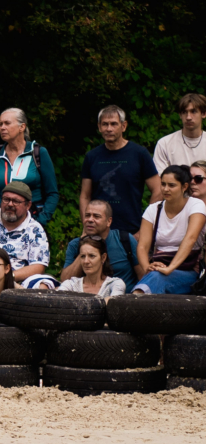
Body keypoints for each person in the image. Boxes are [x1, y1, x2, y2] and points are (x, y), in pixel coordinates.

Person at [80, 105, 161, 236]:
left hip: (132, 231)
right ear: (99, 127)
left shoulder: (139, 154)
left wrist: (144, 229)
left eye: (113, 124)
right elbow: (85, 196)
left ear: (123, 126)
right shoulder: (92, 157)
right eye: (105, 124)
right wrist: (87, 226)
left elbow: (158, 190)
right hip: (98, 233)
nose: (109, 129)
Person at [0, 108, 60, 226]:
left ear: (22, 127)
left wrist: (40, 222)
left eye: (7, 123)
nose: (2, 127)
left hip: (31, 221)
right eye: (0, 124)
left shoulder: (37, 153)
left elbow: (52, 193)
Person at [132, 165, 206, 295]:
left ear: (184, 187)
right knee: (155, 276)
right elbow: (142, 246)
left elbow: (190, 239)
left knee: (157, 278)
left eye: (171, 185)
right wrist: (147, 267)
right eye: (163, 184)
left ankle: (131, 304)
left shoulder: (196, 205)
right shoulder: (153, 209)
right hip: (158, 268)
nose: (166, 189)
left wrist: (170, 268)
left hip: (187, 270)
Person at [0, 181, 51, 288]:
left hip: (14, 284)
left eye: (16, 201)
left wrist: (6, 277)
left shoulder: (35, 230)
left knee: (43, 285)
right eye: (6, 199)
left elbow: (38, 266)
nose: (10, 204)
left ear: (28, 205)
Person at [61, 200, 143, 290]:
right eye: (87, 215)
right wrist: (84, 245)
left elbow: (142, 277)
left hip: (123, 299)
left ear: (109, 221)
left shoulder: (125, 240)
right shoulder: (75, 245)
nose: (90, 220)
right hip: (87, 300)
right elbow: (65, 281)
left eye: (96, 216)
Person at [57, 235, 126, 298]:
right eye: (83, 256)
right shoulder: (71, 285)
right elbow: (58, 301)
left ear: (103, 258)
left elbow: (114, 303)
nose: (86, 261)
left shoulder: (114, 284)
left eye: (91, 256)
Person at [153, 93, 206, 172]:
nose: (188, 117)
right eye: (184, 112)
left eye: (193, 111)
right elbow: (161, 179)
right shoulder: (165, 144)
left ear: (203, 113)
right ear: (180, 115)